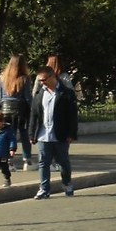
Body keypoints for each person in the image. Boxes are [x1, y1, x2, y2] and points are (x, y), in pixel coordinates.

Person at [32, 62, 79, 198]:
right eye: (40, 80)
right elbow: (34, 115)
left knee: (63, 162)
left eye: (44, 80)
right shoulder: (39, 94)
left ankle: (67, 183)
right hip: (42, 135)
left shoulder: (66, 93)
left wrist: (71, 134)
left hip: (60, 135)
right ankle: (44, 189)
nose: (42, 83)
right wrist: (32, 134)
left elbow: (72, 116)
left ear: (53, 77)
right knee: (43, 163)